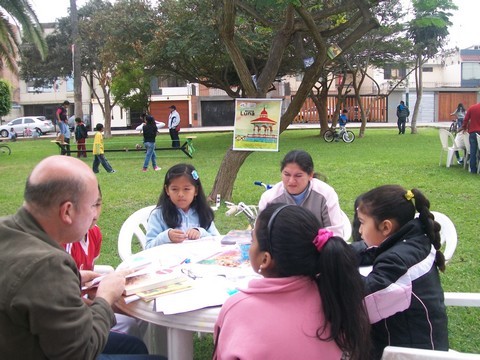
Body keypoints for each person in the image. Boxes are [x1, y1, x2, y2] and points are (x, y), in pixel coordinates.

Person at [0, 155, 163, 359]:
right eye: (94, 205)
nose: (96, 214)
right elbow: (81, 351)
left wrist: (72, 279)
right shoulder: (48, 265)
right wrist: (105, 297)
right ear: (67, 211)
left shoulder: (7, 229)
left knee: (133, 347)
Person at [213, 203, 371, 360]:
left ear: (265, 259)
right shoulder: (334, 294)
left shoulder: (237, 309)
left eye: (252, 240)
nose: (250, 245)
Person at [353, 185, 449, 359]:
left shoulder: (398, 258)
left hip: (410, 353)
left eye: (362, 222)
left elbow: (362, 295)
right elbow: (370, 250)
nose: (359, 231)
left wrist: (333, 265)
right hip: (407, 340)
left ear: (386, 227)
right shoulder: (412, 238)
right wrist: (336, 250)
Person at [64, 186, 147, 340]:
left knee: (139, 307)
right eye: (87, 206)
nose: (94, 214)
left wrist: (98, 287)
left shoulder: (94, 233)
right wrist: (104, 301)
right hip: (70, 317)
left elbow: (88, 276)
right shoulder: (63, 244)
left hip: (84, 301)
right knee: (129, 322)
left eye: (97, 204)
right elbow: (62, 298)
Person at [258, 149, 344, 237]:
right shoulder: (270, 199)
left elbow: (335, 234)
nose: (291, 181)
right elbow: (261, 235)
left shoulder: (326, 195)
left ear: (310, 175)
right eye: (286, 174)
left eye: (298, 176)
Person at [145, 163, 220, 248]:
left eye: (186, 189)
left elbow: (217, 240)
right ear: (167, 190)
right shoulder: (158, 215)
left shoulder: (202, 212)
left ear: (196, 190)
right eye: (174, 189)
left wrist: (201, 233)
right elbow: (148, 247)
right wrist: (166, 236)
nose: (180, 194)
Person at [461, 102, 480, 173]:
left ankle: (473, 169)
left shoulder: (472, 108)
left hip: (473, 132)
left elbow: (465, 119)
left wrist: (464, 127)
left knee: (473, 151)